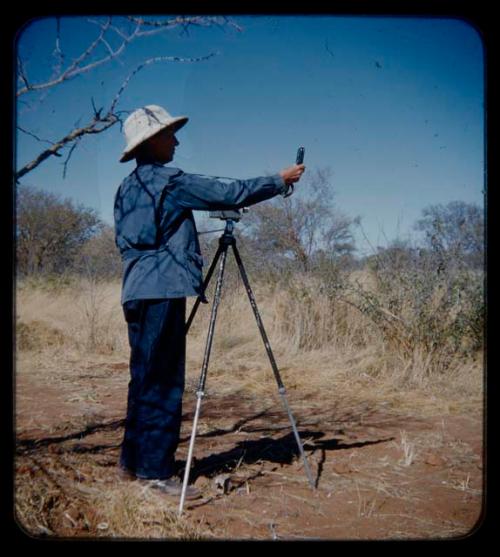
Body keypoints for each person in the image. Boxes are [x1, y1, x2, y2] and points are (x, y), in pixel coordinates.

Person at [113, 105, 305, 498]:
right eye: (170, 135)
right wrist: (280, 180)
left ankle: (132, 463)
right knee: (164, 381)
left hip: (135, 289)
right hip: (164, 289)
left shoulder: (127, 189)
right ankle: (155, 474)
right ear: (152, 142)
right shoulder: (171, 182)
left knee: (143, 377)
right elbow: (229, 191)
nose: (176, 140)